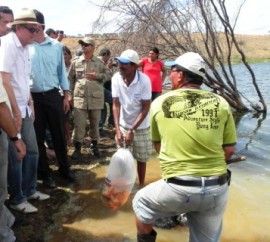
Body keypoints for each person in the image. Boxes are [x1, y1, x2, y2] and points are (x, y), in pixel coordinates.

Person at [132, 52, 237, 242]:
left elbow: (159, 146)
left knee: (141, 201)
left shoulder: (160, 103)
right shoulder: (221, 103)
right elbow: (229, 151)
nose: (170, 75)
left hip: (178, 187)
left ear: (180, 75)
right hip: (216, 187)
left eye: (172, 71)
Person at [0, 8, 50, 214]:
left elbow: (23, 79)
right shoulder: (7, 45)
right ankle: (17, 198)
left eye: (37, 29)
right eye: (31, 29)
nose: (35, 33)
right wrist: (15, 111)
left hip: (24, 106)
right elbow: (4, 79)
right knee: (16, 155)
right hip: (11, 109)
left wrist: (30, 102)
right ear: (18, 28)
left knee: (32, 150)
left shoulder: (25, 48)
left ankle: (30, 190)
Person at [30, 9, 75, 189]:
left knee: (59, 135)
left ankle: (65, 169)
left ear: (41, 26)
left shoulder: (56, 47)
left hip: (53, 96)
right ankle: (45, 173)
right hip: (33, 99)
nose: (28, 30)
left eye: (32, 26)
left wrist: (66, 94)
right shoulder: (25, 46)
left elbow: (61, 73)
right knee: (38, 137)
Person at [0, 6, 26, 241]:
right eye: (3, 23)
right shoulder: (8, 46)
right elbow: (1, 102)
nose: (6, 28)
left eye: (9, 22)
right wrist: (15, 137)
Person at [112, 49, 152, 186]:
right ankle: (125, 187)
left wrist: (132, 130)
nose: (120, 65)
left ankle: (141, 185)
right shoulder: (116, 78)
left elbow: (146, 108)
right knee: (122, 160)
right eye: (119, 62)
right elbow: (115, 105)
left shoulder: (144, 81)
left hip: (141, 126)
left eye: (125, 63)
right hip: (123, 125)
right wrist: (117, 129)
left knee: (141, 159)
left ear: (135, 66)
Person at [68, 37, 112, 160]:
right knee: (79, 125)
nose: (83, 46)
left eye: (86, 44)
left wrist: (97, 76)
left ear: (92, 47)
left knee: (95, 124)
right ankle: (77, 149)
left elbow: (109, 75)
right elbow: (70, 79)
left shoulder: (99, 62)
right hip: (80, 99)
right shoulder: (76, 62)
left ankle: (94, 146)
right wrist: (69, 94)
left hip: (95, 99)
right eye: (82, 44)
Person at [98, 48, 115, 137]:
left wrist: (110, 69)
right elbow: (105, 78)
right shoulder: (99, 63)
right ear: (105, 55)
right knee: (115, 99)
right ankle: (101, 128)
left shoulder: (102, 63)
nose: (109, 59)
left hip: (103, 89)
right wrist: (108, 68)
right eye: (108, 57)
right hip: (100, 89)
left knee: (103, 108)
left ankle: (107, 124)